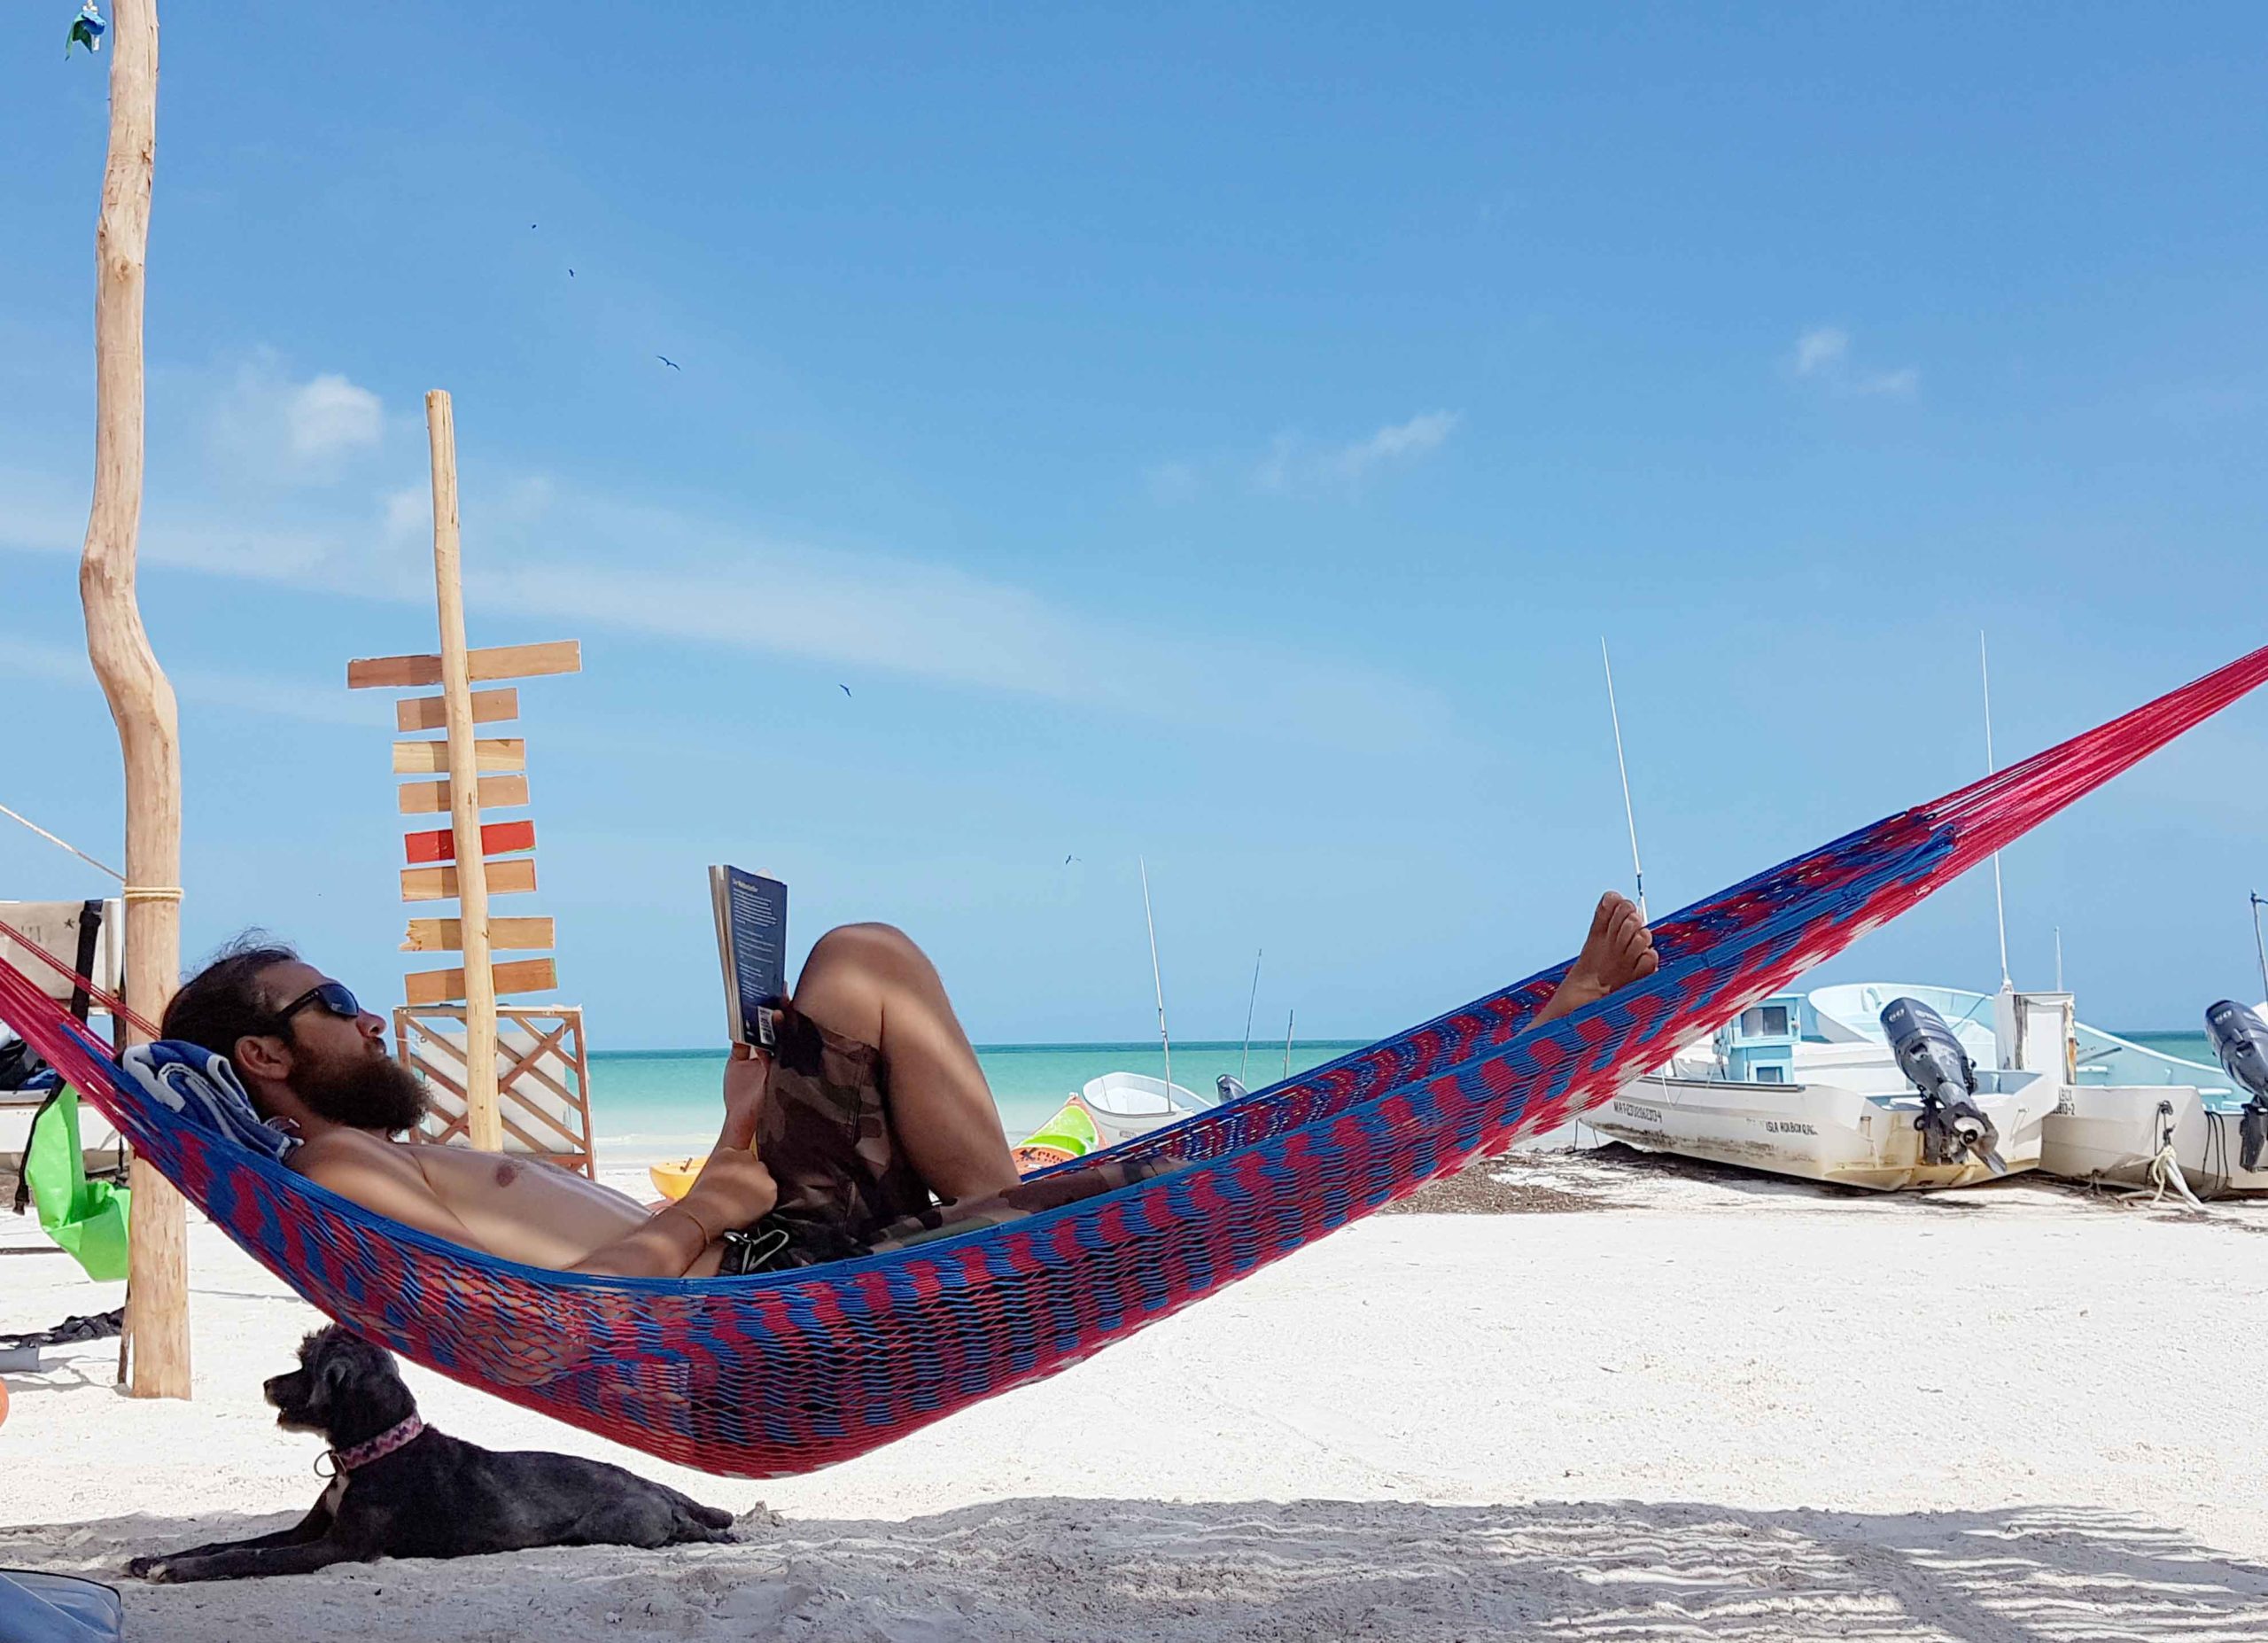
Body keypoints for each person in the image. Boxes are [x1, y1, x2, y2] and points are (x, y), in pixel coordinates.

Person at [156, 894, 1658, 1280]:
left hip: (762, 1241)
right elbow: (595, 1316)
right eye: (331, 1006)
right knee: (864, 960)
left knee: (853, 965)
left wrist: (745, 1133)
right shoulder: (348, 1181)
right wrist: (735, 1170)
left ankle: (999, 1210)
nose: (366, 1016)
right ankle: (1551, 1034)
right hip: (740, 1279)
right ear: (268, 1058)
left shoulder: (401, 1156)